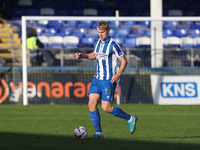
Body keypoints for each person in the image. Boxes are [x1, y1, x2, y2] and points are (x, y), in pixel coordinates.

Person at [76, 21, 137, 139]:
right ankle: (99, 133)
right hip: (97, 79)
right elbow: (95, 55)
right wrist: (82, 55)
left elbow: (124, 61)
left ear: (108, 31)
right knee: (91, 104)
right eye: (98, 32)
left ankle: (130, 118)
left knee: (106, 108)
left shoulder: (113, 44)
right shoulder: (97, 42)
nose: (100, 35)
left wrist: (118, 74)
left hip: (108, 80)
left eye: (102, 32)